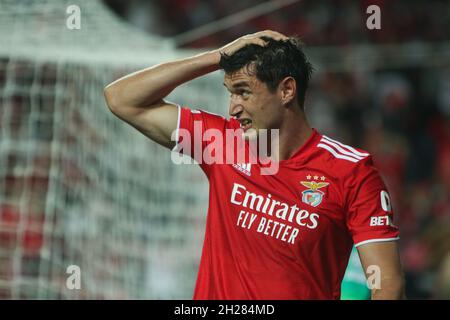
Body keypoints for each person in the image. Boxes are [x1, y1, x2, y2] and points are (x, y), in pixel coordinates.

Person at [104, 30, 405, 299]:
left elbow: (387, 286)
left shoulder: (352, 172)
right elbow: (121, 99)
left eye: (243, 92)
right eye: (230, 93)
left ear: (287, 90)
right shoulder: (221, 143)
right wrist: (216, 57)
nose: (232, 107)